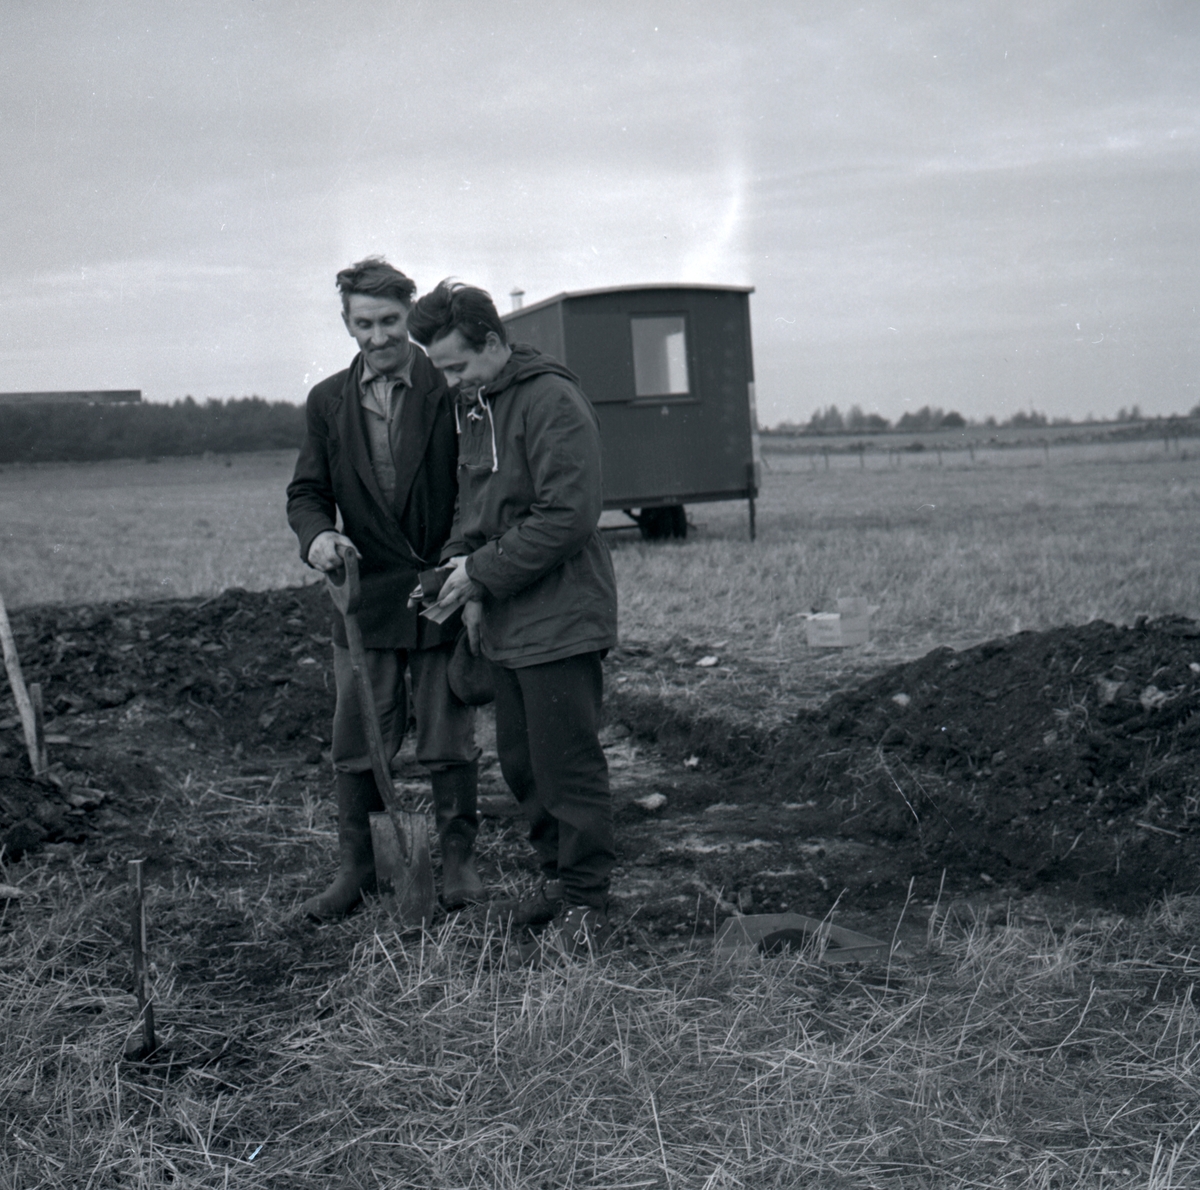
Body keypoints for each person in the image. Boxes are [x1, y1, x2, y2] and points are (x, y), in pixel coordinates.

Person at [407, 280, 619, 957]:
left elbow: (568, 516)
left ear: (494, 343)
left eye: (456, 365)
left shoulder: (550, 401)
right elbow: (475, 515)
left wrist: (481, 573)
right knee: (525, 764)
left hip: (561, 619)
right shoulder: (482, 407)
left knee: (567, 765)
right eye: (440, 368)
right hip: (508, 623)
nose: (449, 380)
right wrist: (452, 572)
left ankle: (587, 899)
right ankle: (558, 884)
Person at [286, 258, 482, 920]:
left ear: (410, 316)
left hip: (438, 589)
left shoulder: (452, 390)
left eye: (390, 321)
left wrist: (458, 560)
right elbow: (308, 493)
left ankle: (457, 865)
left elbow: (475, 490)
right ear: (347, 324)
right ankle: (359, 871)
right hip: (362, 598)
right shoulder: (327, 403)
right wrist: (318, 539)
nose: (377, 337)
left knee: (445, 737)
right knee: (357, 739)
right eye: (363, 324)